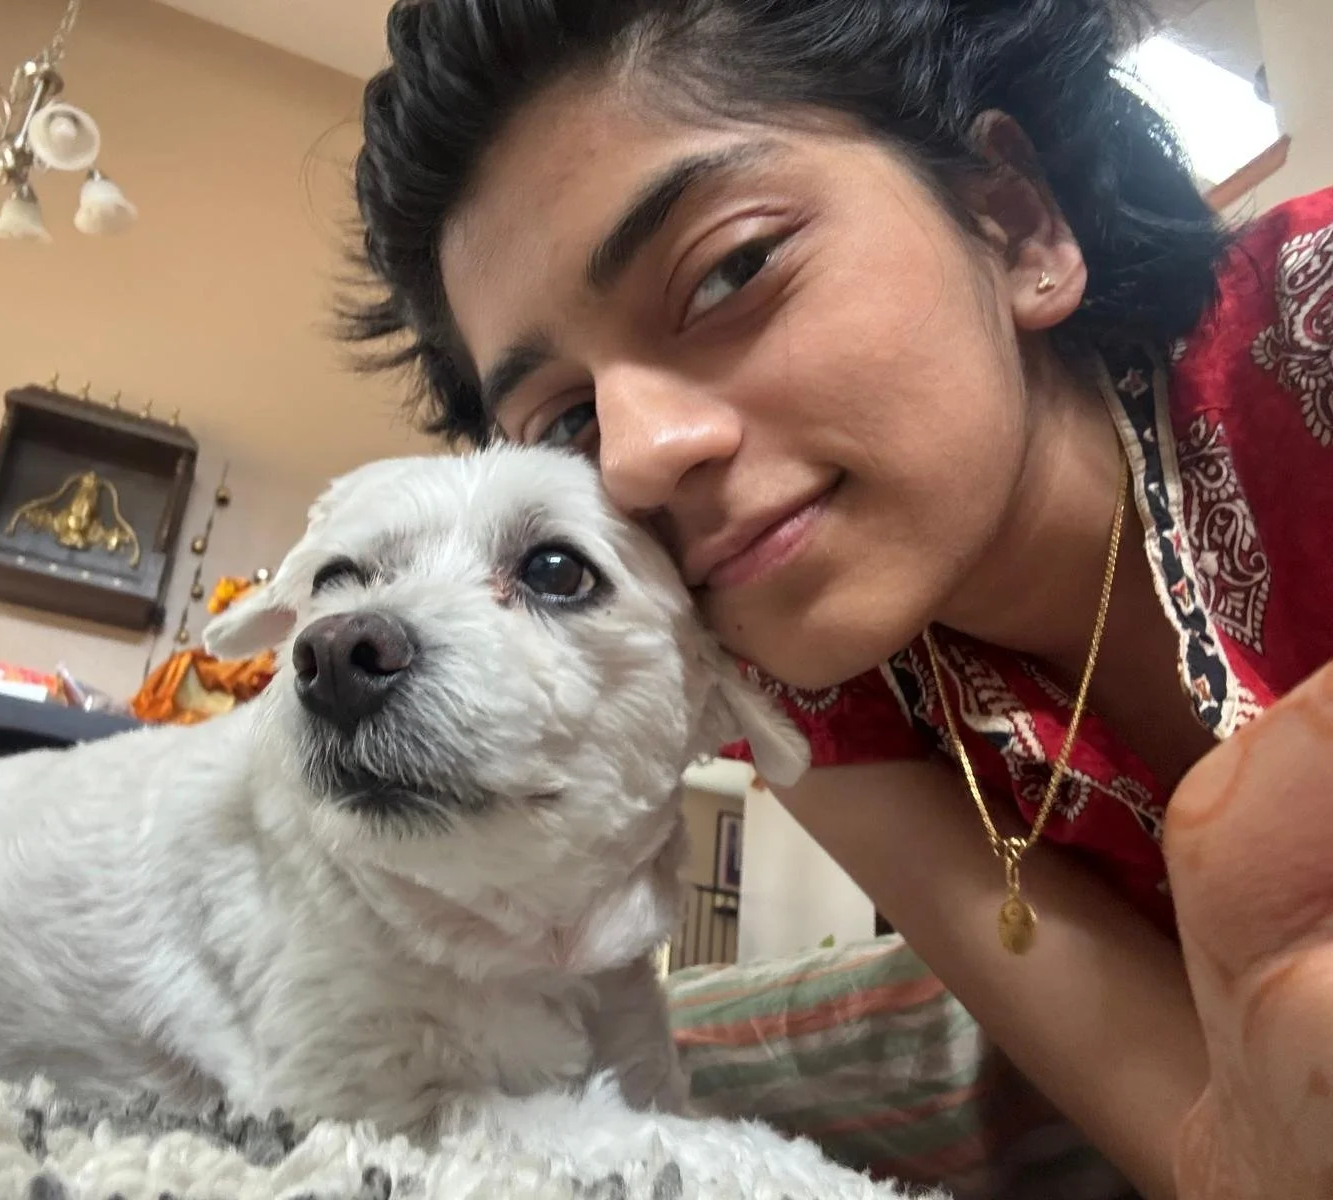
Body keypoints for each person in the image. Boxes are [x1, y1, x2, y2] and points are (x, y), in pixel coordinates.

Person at [341, 1, 1333, 1196]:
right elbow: (1217, 1150)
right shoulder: (790, 674)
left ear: (1013, 218)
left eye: (730, 272)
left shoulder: (1312, 325)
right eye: (565, 422)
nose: (638, 457)